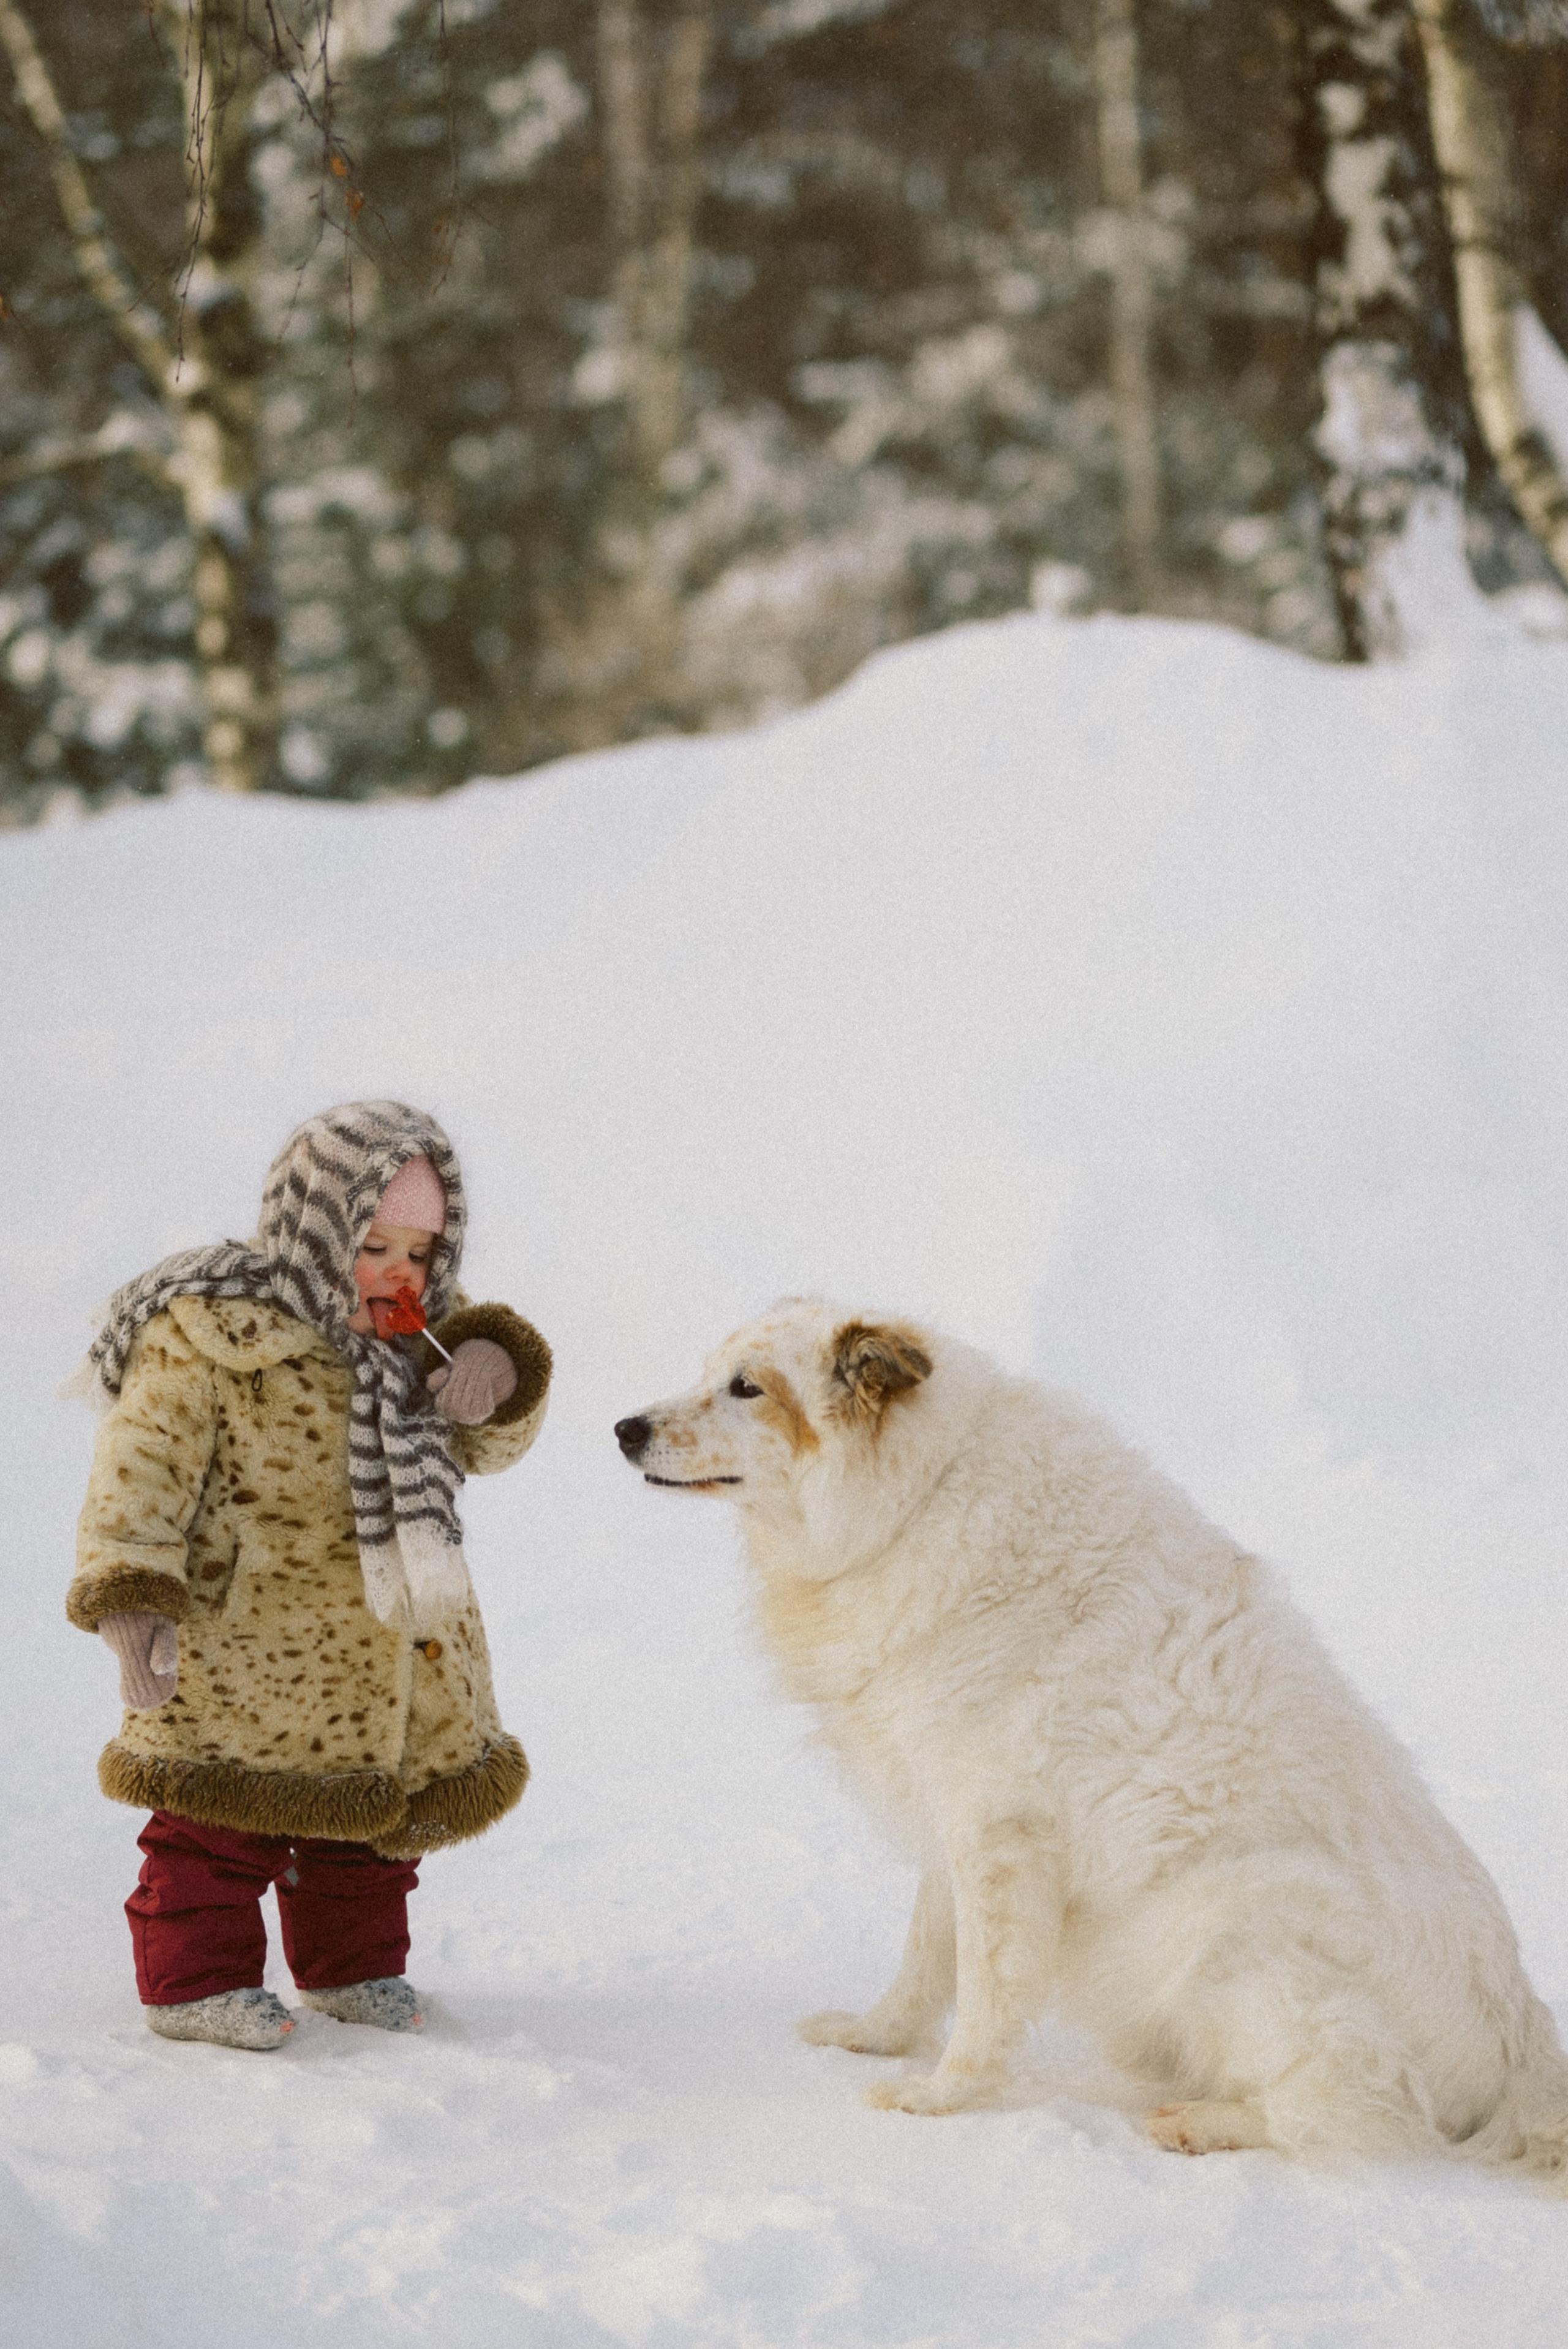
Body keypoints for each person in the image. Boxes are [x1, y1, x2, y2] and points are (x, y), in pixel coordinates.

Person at [66, 1101, 551, 2050]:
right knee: (215, 1831)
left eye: (422, 1251)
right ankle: (194, 1984)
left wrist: (494, 1375)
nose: (400, 1272)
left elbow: (487, 1449)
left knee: (369, 1835)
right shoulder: (210, 1334)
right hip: (245, 1648)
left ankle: (351, 1968)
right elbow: (141, 1471)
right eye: (375, 1246)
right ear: (314, 1229)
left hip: (396, 1645)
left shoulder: (426, 1339)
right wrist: (131, 1598)